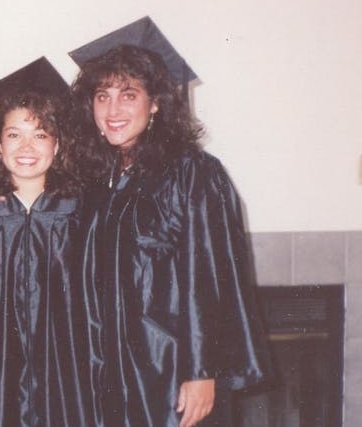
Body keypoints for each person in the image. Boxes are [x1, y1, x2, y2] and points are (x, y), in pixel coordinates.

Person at [66, 44, 270, 427]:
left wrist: (202, 370)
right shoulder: (94, 177)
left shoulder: (192, 173)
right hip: (107, 366)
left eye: (128, 96)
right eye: (102, 96)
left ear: (155, 103)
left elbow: (208, 276)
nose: (113, 111)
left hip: (169, 367)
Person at [0, 90, 93, 426]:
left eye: (40, 135)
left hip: (63, 369)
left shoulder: (81, 214)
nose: (26, 148)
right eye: (14, 135)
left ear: (58, 145)